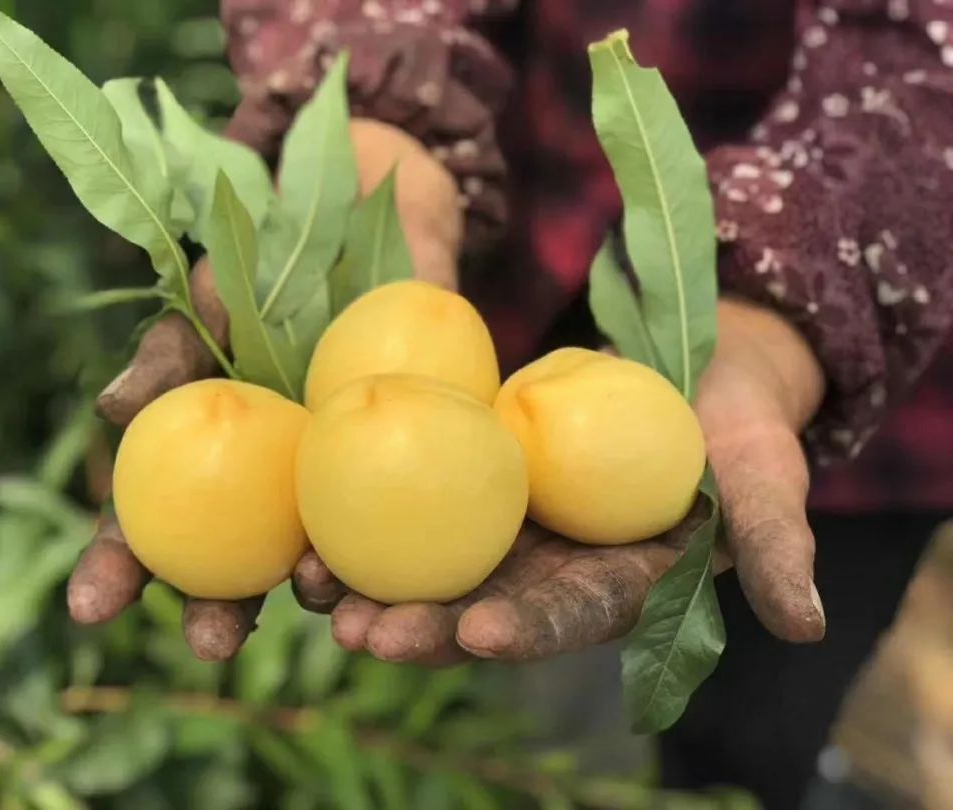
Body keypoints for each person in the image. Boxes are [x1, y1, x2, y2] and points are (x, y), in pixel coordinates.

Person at [67, 1, 953, 806]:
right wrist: (379, 124)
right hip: (528, 242)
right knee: (545, 704)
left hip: (874, 368)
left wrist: (787, 298)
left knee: (758, 728)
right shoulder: (420, 411)